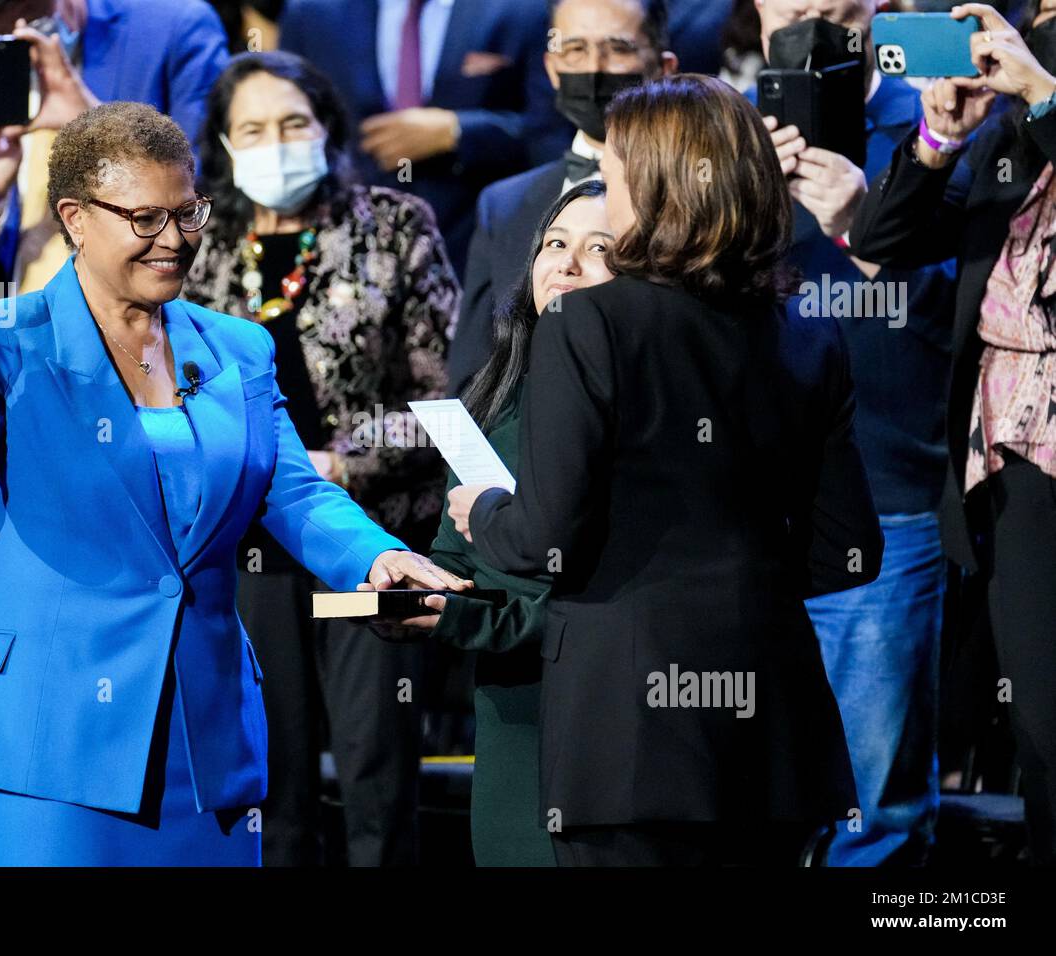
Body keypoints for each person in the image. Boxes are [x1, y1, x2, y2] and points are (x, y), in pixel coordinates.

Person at [0, 102, 469, 866]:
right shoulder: (6, 339)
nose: (175, 240)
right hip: (53, 735)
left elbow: (291, 490)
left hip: (204, 733)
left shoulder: (237, 346)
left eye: (187, 214)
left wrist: (372, 559)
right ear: (76, 218)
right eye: (145, 218)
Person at [446, 74, 884, 866]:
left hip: (628, 741)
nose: (605, 199)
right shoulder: (809, 337)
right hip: (775, 740)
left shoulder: (589, 324)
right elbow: (848, 547)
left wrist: (483, 510)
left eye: (612, 179)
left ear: (652, 190)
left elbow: (543, 541)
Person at [182, 51, 458, 866]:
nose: (276, 143)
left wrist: (343, 464)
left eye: (294, 123)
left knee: (377, 781)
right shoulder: (195, 246)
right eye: (253, 129)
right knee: (275, 785)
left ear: (328, 129)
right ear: (224, 145)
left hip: (368, 552)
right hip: (248, 560)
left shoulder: (394, 223)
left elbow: (448, 406)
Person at [754, 0, 964, 867]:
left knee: (873, 805)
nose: (804, 10)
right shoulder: (716, 129)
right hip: (735, 507)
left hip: (885, 498)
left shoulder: (939, 117)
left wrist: (860, 219)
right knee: (743, 784)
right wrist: (726, 195)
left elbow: (966, 315)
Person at [849, 0, 1056, 866]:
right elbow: (883, 236)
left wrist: (1047, 99)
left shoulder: (1040, 103)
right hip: (1019, 463)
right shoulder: (1011, 126)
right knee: (1045, 730)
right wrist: (942, 136)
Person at [0, 0, 230, 576]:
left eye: (17, 11)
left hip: (155, 374)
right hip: (19, 392)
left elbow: (209, 202)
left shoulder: (173, 30)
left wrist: (87, 119)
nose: (4, 34)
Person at [392, 180, 613, 866]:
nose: (567, 265)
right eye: (555, 244)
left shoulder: (645, 407)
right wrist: (416, 585)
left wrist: (462, 619)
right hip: (510, 719)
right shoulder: (497, 392)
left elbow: (608, 603)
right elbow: (458, 557)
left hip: (606, 727)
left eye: (599, 249)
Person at [449, 0, 676, 391]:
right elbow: (471, 374)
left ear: (664, 67)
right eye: (574, 50)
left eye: (618, 49)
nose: (593, 69)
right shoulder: (503, 205)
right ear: (552, 69)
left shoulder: (695, 197)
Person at [278, 0, 574, 278]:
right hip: (344, 253)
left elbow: (552, 132)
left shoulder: (524, 9)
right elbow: (283, 121)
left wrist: (457, 131)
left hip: (478, 249)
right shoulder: (312, 11)